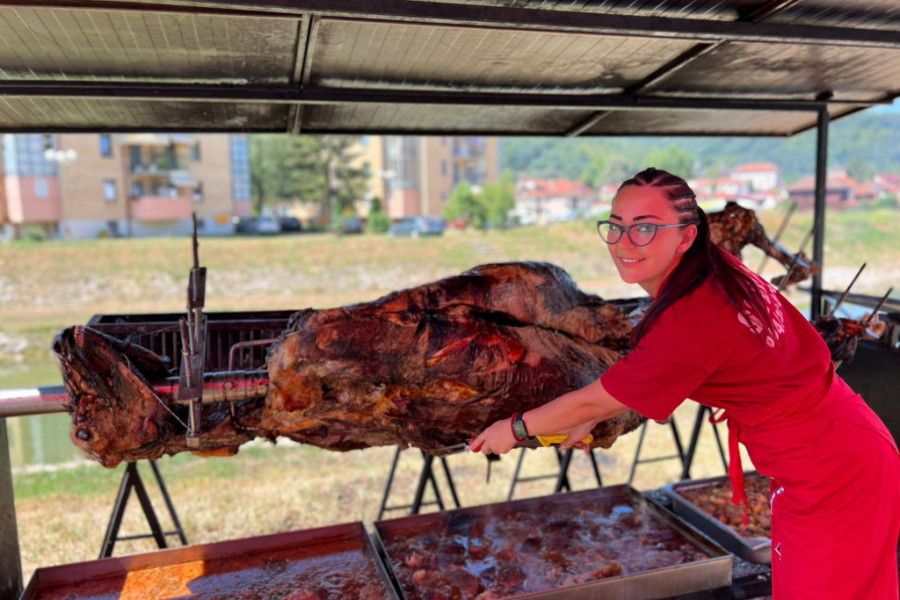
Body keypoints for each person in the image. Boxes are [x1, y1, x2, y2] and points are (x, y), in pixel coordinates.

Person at [470, 168, 900, 599]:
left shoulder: (693, 315)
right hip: (836, 449)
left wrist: (516, 428)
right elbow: (632, 386)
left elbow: (595, 400)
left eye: (645, 229)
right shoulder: (713, 269)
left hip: (834, 472)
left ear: (687, 236)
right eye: (616, 226)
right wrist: (595, 410)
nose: (624, 243)